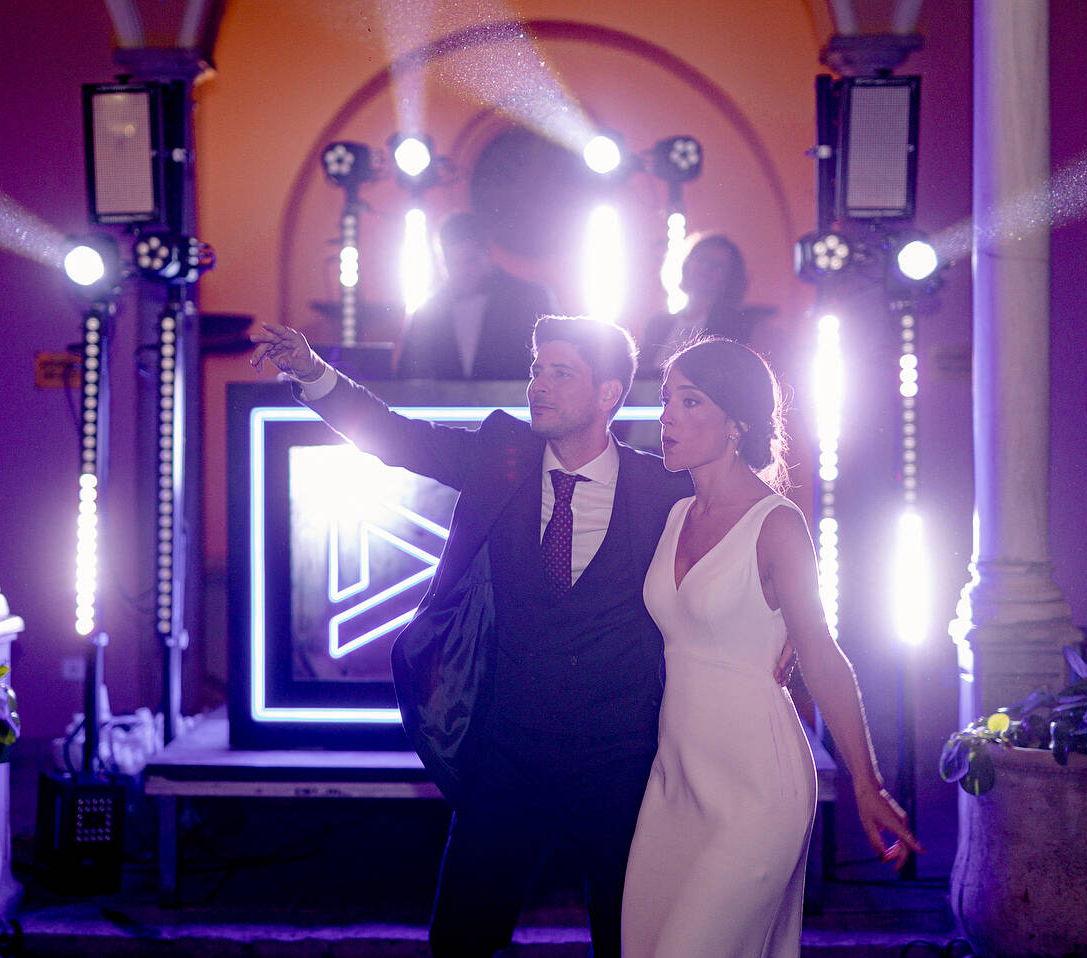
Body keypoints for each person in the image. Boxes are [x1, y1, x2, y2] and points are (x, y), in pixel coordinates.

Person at [251, 316, 759, 957]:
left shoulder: (662, 487)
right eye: (535, 370)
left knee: (630, 942)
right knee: (459, 941)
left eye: (560, 372)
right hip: (510, 751)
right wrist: (313, 372)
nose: (538, 385)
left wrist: (783, 631)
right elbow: (395, 438)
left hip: (621, 761)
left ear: (608, 394)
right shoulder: (502, 456)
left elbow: (747, 531)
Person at [621, 337, 923, 956]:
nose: (666, 416)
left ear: (736, 424)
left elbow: (821, 655)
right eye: (665, 399)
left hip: (759, 789)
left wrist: (865, 783)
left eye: (688, 401)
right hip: (675, 784)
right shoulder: (675, 512)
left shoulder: (777, 525)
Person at [397, 211, 555, 380]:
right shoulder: (425, 314)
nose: (461, 271)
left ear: (487, 252)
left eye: (469, 260)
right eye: (452, 262)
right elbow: (407, 376)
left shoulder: (530, 300)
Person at [637, 234, 774, 372]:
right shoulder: (657, 324)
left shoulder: (735, 327)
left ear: (730, 277)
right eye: (700, 260)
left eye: (716, 265)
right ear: (686, 265)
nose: (705, 268)